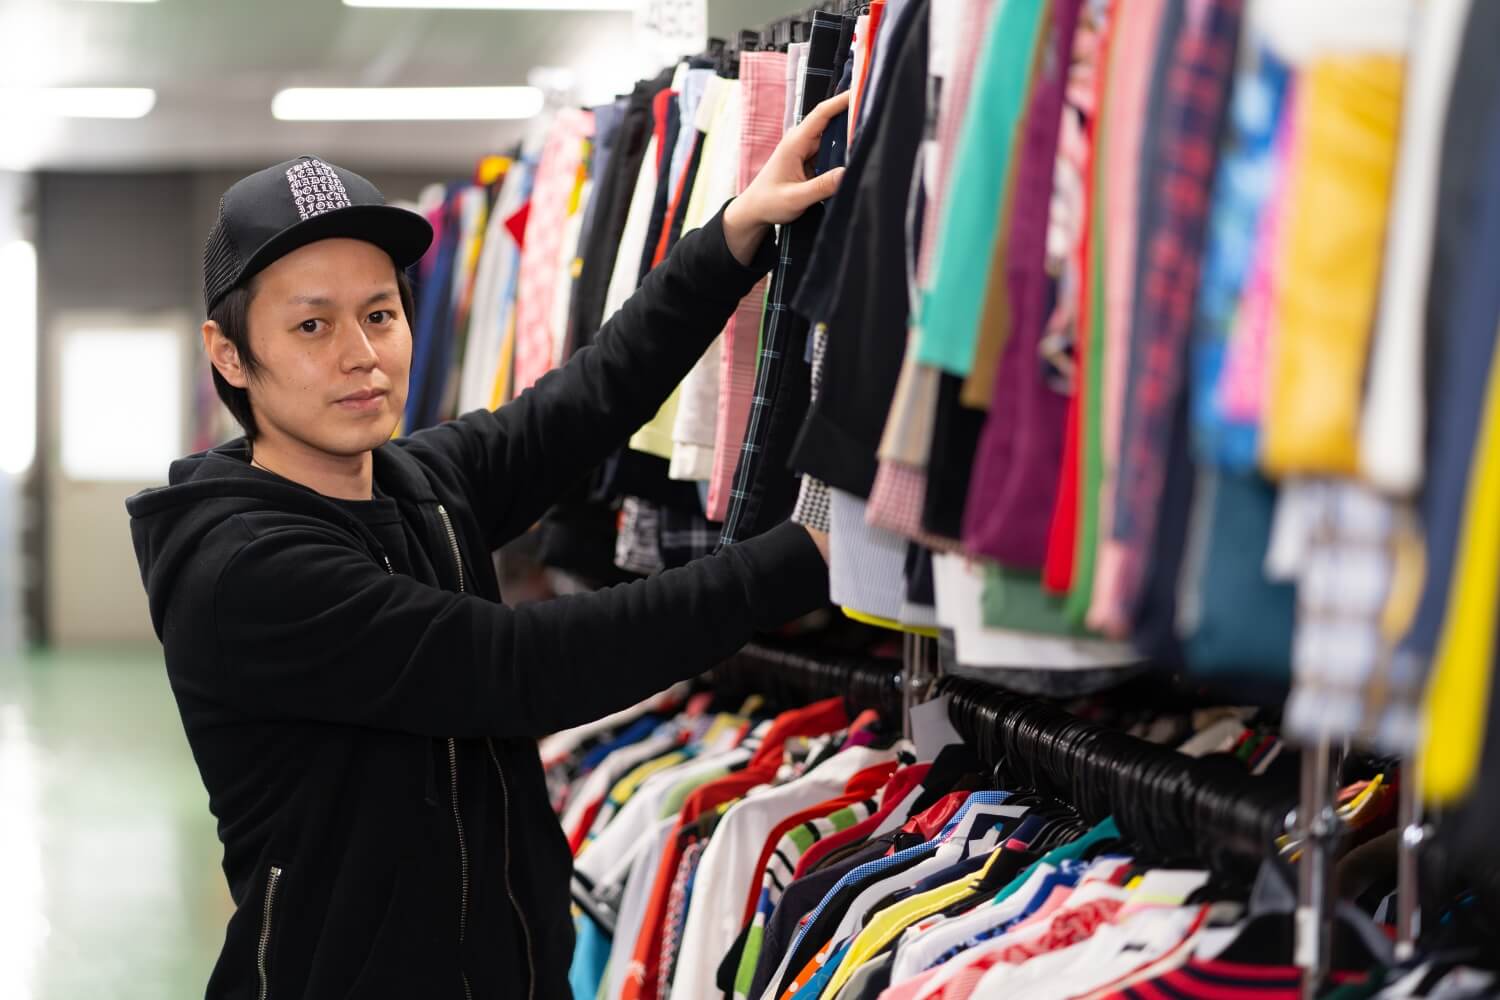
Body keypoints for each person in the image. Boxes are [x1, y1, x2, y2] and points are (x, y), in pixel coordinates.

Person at [126, 91, 851, 998]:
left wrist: (735, 233)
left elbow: (585, 400)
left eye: (380, 314)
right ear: (229, 353)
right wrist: (807, 552)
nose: (362, 354)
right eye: (313, 325)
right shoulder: (246, 568)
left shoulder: (413, 484)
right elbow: (522, 666)